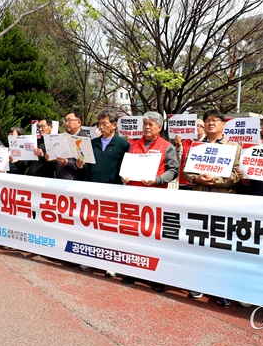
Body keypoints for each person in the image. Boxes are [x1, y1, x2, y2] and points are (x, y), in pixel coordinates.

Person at [183, 109, 242, 305]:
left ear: (224, 124)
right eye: (207, 120)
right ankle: (198, 283)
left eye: (215, 120)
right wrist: (196, 178)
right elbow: (186, 172)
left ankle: (221, 287)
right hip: (199, 200)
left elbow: (236, 175)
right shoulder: (196, 146)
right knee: (198, 243)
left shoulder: (234, 147)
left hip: (222, 201)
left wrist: (216, 179)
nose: (210, 123)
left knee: (220, 245)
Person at [121, 111, 178, 292]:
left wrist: (157, 180)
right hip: (133, 197)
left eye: (151, 124)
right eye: (145, 124)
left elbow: (174, 171)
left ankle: (156, 275)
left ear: (159, 127)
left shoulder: (166, 146)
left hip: (154, 198)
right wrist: (124, 177)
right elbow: (126, 167)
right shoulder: (133, 145)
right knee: (134, 235)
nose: (146, 127)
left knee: (154, 236)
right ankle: (132, 270)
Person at [76, 109, 130, 275]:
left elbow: (127, 167)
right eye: (100, 124)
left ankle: (111, 264)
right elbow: (85, 166)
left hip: (112, 192)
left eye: (104, 123)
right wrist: (80, 164)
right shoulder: (91, 143)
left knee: (110, 228)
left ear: (114, 125)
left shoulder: (123, 145)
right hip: (92, 191)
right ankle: (90, 259)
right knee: (92, 226)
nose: (101, 127)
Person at [51, 112, 85, 181]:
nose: (66, 123)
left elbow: (83, 162)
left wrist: (67, 163)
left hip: (73, 182)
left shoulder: (83, 140)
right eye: (65, 120)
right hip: (59, 179)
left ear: (79, 123)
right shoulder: (64, 138)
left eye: (69, 121)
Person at [173, 118, 205, 190]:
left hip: (202, 183)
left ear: (204, 129)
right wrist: (178, 146)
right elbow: (178, 160)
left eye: (198, 126)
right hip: (185, 183)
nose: (195, 128)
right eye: (193, 126)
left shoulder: (209, 143)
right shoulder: (184, 142)